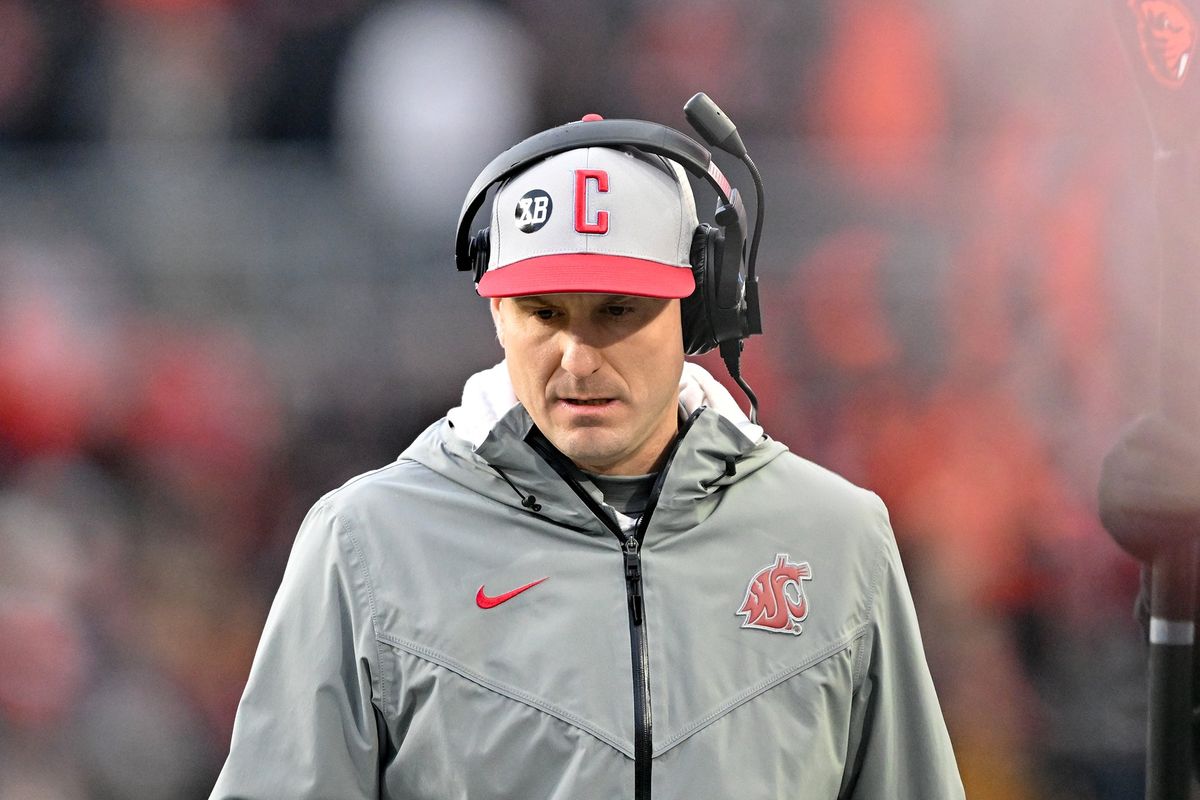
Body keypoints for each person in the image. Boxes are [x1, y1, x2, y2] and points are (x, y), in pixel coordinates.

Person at [210, 118, 964, 799]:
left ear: (699, 310)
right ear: (496, 311)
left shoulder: (838, 538)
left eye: (617, 311)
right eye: (544, 313)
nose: (577, 359)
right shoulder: (366, 543)